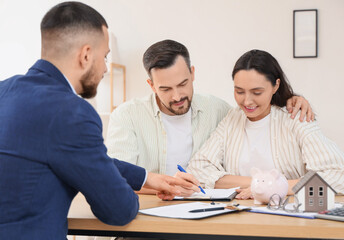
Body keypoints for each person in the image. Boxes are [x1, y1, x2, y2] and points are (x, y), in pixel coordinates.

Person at [0, 2, 197, 239]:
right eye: (104, 56)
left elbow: (73, 154)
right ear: (86, 55)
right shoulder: (71, 111)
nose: (106, 68)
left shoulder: (1, 92)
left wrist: (147, 178)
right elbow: (119, 211)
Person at [106, 40, 314, 196]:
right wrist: (171, 188)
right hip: (149, 213)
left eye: (182, 84)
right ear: (151, 85)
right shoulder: (127, 116)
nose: (177, 96)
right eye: (166, 89)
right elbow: (117, 179)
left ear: (193, 73)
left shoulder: (217, 109)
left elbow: (255, 108)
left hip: (206, 212)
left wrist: (292, 99)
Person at [187, 49, 344, 199]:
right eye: (239, 91)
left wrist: (277, 187)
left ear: (275, 86)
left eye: (257, 92)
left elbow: (336, 175)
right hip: (241, 215)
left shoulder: (296, 118)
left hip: (288, 217)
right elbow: (197, 170)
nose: (247, 101)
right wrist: (260, 184)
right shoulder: (233, 118)